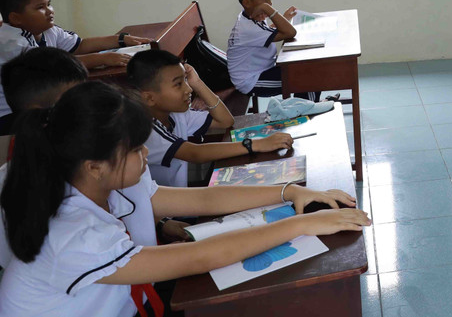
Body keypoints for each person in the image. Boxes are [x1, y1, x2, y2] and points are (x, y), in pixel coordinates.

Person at [0, 81, 369, 316]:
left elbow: (201, 202)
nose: (147, 156)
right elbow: (199, 257)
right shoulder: (72, 233)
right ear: (95, 165)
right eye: (138, 149)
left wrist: (291, 192)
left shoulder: (98, 180)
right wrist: (301, 223)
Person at [128, 49, 293, 187]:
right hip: (166, 216)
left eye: (186, 80)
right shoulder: (146, 130)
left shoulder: (176, 113)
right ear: (149, 98)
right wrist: (257, 144)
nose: (188, 89)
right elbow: (195, 153)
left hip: (180, 204)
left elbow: (225, 121)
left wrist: (198, 83)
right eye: (178, 84)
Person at [0, 0, 148, 132]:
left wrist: (119, 40)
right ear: (16, 18)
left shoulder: (47, 30)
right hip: (10, 116)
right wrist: (102, 58)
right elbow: (50, 68)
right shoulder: (10, 42)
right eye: (40, 8)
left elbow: (79, 45)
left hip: (40, 103)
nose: (49, 11)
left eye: (49, 4)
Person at [0, 48, 90, 268]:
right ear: (41, 113)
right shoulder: (14, 183)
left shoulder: (85, 155)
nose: (89, 107)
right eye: (76, 102)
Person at [227, 0, 304, 100]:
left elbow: (268, 31)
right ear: (247, 2)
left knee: (306, 69)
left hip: (265, 69)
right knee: (306, 78)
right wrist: (267, 9)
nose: (270, 3)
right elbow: (290, 33)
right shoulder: (247, 28)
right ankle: (308, 110)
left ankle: (306, 107)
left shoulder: (249, 18)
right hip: (252, 81)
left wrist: (284, 18)